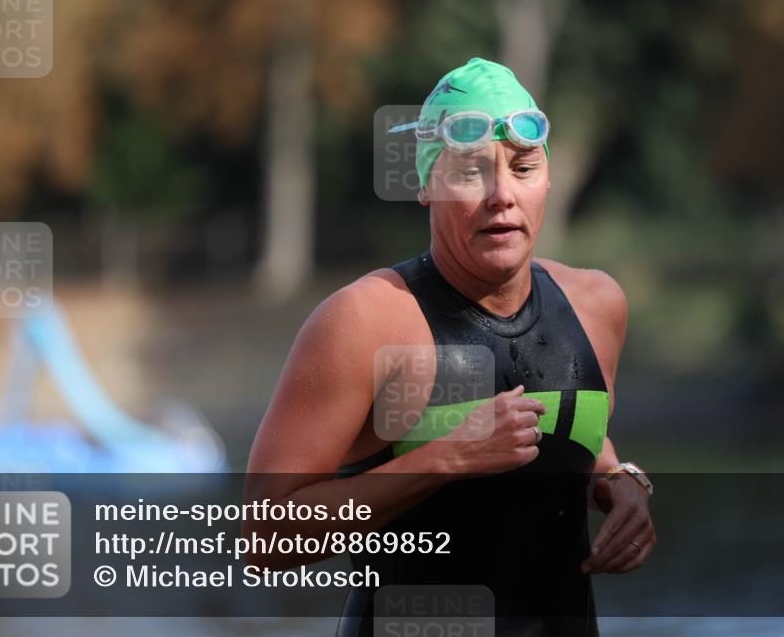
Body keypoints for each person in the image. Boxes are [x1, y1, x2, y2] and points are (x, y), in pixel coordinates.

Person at [244, 57, 655, 636]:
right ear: (426, 186)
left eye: (523, 167)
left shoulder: (596, 304)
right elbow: (265, 536)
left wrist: (624, 484)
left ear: (548, 178)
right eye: (469, 173)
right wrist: (444, 458)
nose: (502, 196)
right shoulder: (368, 320)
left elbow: (573, 428)